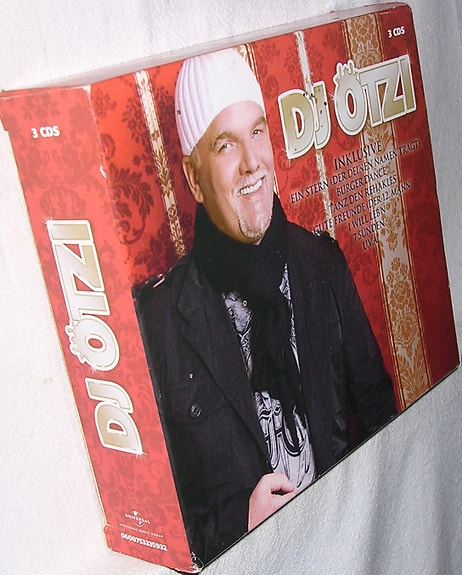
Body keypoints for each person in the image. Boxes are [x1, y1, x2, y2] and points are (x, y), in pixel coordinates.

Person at [135, 47, 397, 564]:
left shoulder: (320, 264)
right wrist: (241, 523)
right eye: (226, 145)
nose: (252, 162)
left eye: (257, 132)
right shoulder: (161, 320)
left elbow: (378, 411)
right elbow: (158, 522)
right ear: (194, 179)